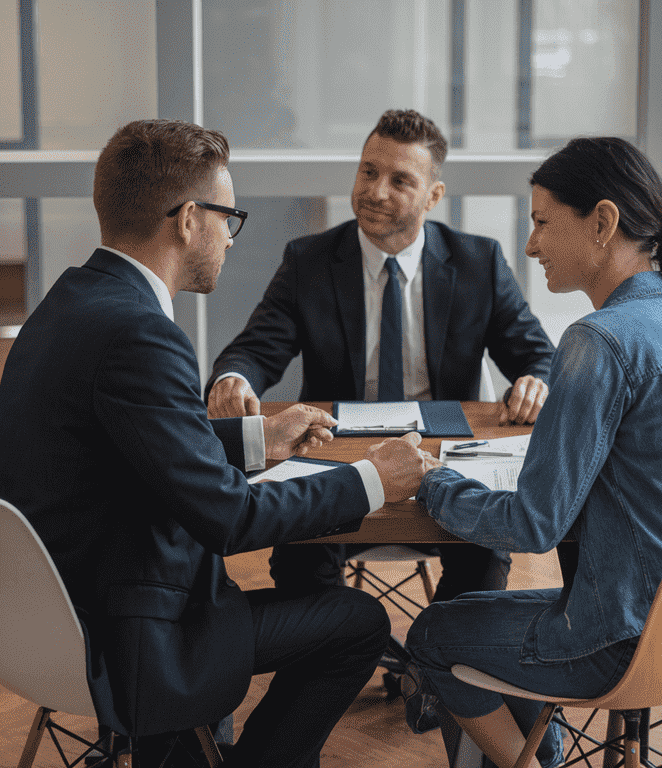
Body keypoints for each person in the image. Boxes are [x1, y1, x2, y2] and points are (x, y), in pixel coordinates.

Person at [0, 119, 431, 768]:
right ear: (189, 220)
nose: (229, 239)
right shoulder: (142, 335)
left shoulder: (68, 304)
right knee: (357, 622)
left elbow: (133, 440)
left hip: (50, 622)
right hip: (138, 637)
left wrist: (258, 436)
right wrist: (372, 478)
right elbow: (231, 518)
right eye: (228, 218)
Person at [397, 137, 662, 768]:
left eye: (541, 222)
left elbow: (534, 526)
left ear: (603, 221)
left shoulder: (599, 341)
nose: (530, 244)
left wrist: (432, 481)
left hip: (624, 642)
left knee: (432, 632)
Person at [205, 108, 555, 602]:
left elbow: (538, 357)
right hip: (338, 461)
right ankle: (336, 652)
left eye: (399, 180)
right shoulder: (310, 260)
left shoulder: (479, 262)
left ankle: (440, 666)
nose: (375, 191)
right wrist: (234, 378)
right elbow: (256, 349)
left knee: (485, 552)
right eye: (368, 171)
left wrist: (536, 380)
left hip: (442, 463)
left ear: (434, 195)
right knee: (299, 552)